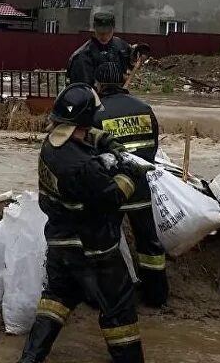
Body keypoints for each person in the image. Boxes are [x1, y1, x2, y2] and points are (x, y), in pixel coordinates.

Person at [19, 83, 151, 363]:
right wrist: (131, 173)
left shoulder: (52, 145)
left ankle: (30, 358)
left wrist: (109, 143)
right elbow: (113, 197)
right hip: (92, 249)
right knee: (119, 308)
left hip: (60, 242)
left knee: (57, 298)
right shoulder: (82, 166)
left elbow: (85, 133)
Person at [92, 62, 168, 308]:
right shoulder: (144, 108)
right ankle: (157, 296)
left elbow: (92, 155)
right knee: (148, 241)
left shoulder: (97, 113)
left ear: (98, 84)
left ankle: (115, 296)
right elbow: (153, 147)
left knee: (108, 243)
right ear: (123, 79)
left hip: (111, 188)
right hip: (141, 184)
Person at [67, 12, 133, 86]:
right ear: (94, 28)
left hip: (120, 95)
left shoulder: (120, 45)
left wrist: (140, 51)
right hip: (94, 96)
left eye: (108, 32)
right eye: (100, 32)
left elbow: (133, 59)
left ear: (113, 28)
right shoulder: (82, 57)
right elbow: (82, 91)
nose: (104, 36)